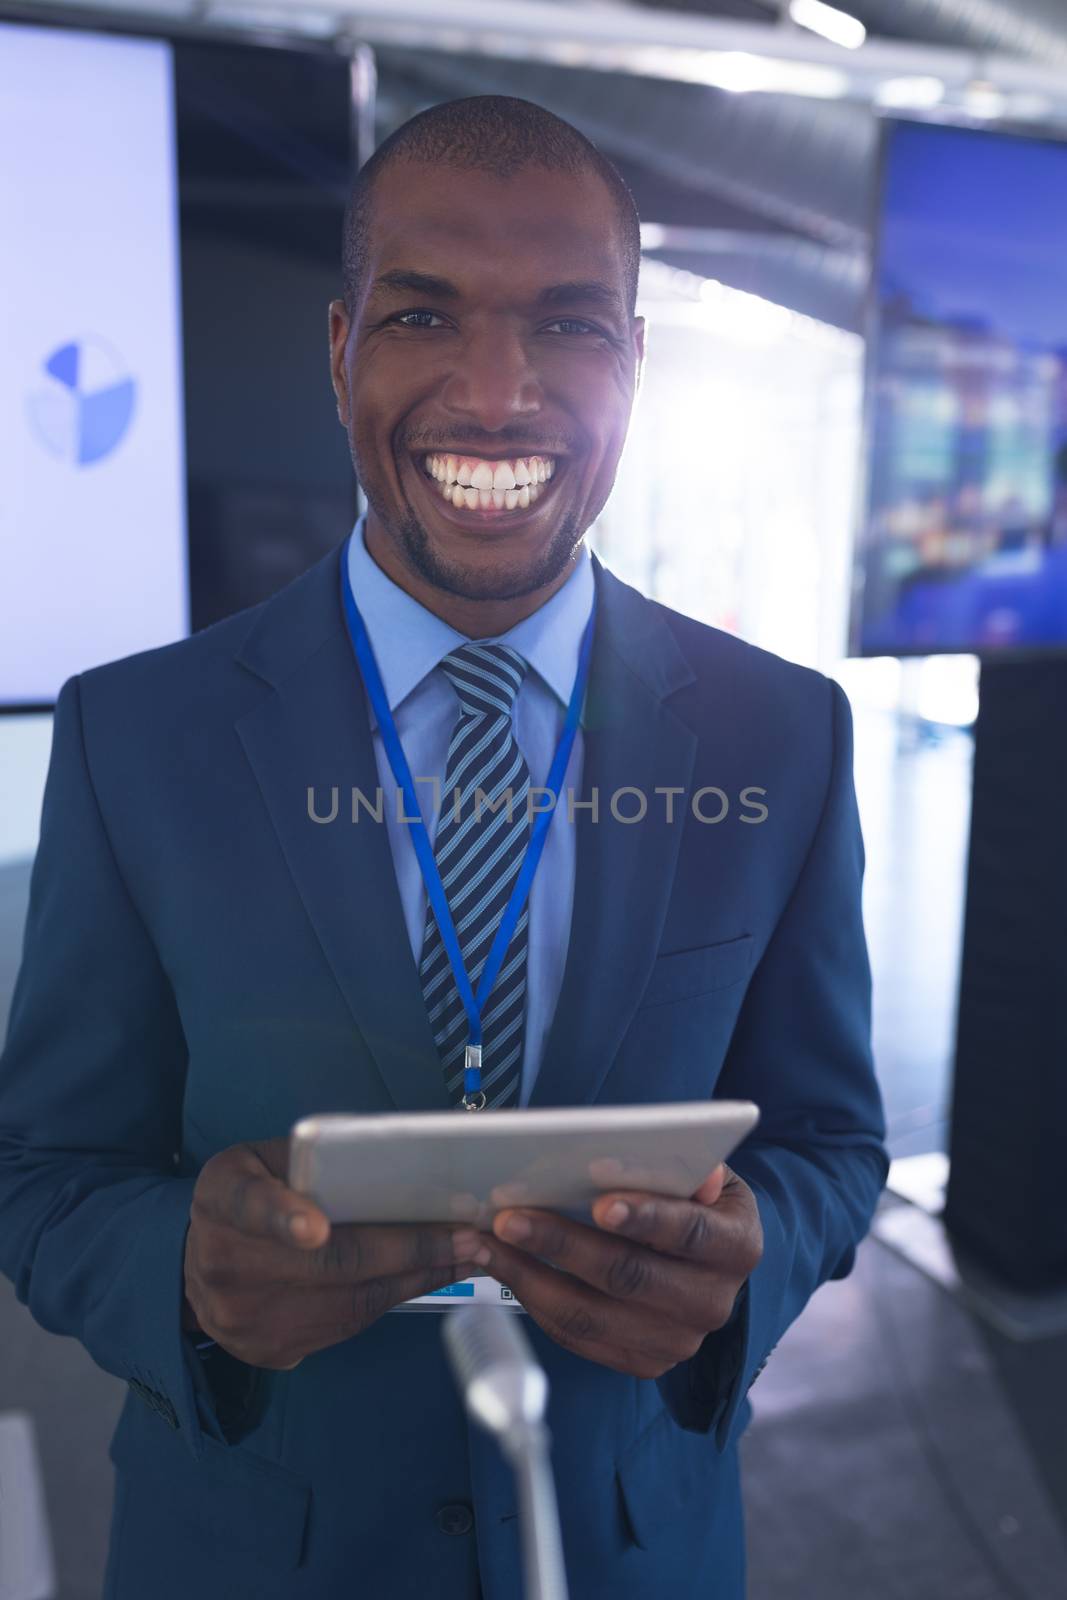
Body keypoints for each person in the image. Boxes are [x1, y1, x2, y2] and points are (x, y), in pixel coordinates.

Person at [0, 95, 887, 1599]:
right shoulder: (132, 738)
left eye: (569, 326)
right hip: (258, 1547)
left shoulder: (780, 735)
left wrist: (745, 1274)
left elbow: (833, 1144)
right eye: (425, 314)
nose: (499, 393)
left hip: (632, 1545)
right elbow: (44, 1172)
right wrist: (185, 1280)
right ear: (342, 346)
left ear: (633, 362)